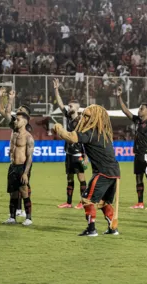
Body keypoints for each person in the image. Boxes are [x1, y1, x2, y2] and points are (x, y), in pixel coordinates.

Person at [53, 104, 120, 236]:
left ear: (95, 118)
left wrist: (59, 129)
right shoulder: (104, 132)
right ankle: (112, 228)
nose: (83, 118)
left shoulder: (91, 133)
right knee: (103, 202)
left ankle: (91, 229)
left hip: (103, 172)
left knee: (86, 199)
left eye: (87, 116)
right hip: (115, 173)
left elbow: (71, 138)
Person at [117, 87, 147, 210]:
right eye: (140, 108)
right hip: (137, 154)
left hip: (146, 154)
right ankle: (140, 203)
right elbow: (125, 111)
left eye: (142, 108)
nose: (139, 110)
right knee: (138, 178)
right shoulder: (137, 121)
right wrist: (119, 96)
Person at [0, 87, 32, 218]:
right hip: (13, 163)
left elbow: (28, 154)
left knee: (24, 186)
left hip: (23, 162)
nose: (18, 112)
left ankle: (26, 212)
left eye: (21, 111)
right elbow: (3, 111)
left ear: (27, 116)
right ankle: (16, 211)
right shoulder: (16, 123)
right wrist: (4, 98)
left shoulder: (26, 129)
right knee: (14, 189)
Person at [53, 79, 87, 209]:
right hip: (68, 152)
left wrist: (86, 156)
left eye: (71, 106)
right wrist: (56, 90)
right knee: (69, 178)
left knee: (81, 177)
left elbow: (85, 139)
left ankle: (82, 202)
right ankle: (68, 202)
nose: (68, 107)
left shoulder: (81, 121)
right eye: (69, 106)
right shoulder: (68, 117)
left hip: (78, 153)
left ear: (77, 108)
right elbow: (61, 105)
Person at [3, 111, 34, 226]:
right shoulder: (14, 133)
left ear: (25, 122)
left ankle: (29, 218)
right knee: (13, 193)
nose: (16, 121)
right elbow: (6, 114)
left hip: (22, 167)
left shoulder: (29, 137)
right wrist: (9, 99)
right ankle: (12, 217)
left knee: (24, 192)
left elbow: (30, 158)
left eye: (18, 119)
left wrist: (26, 173)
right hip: (12, 167)